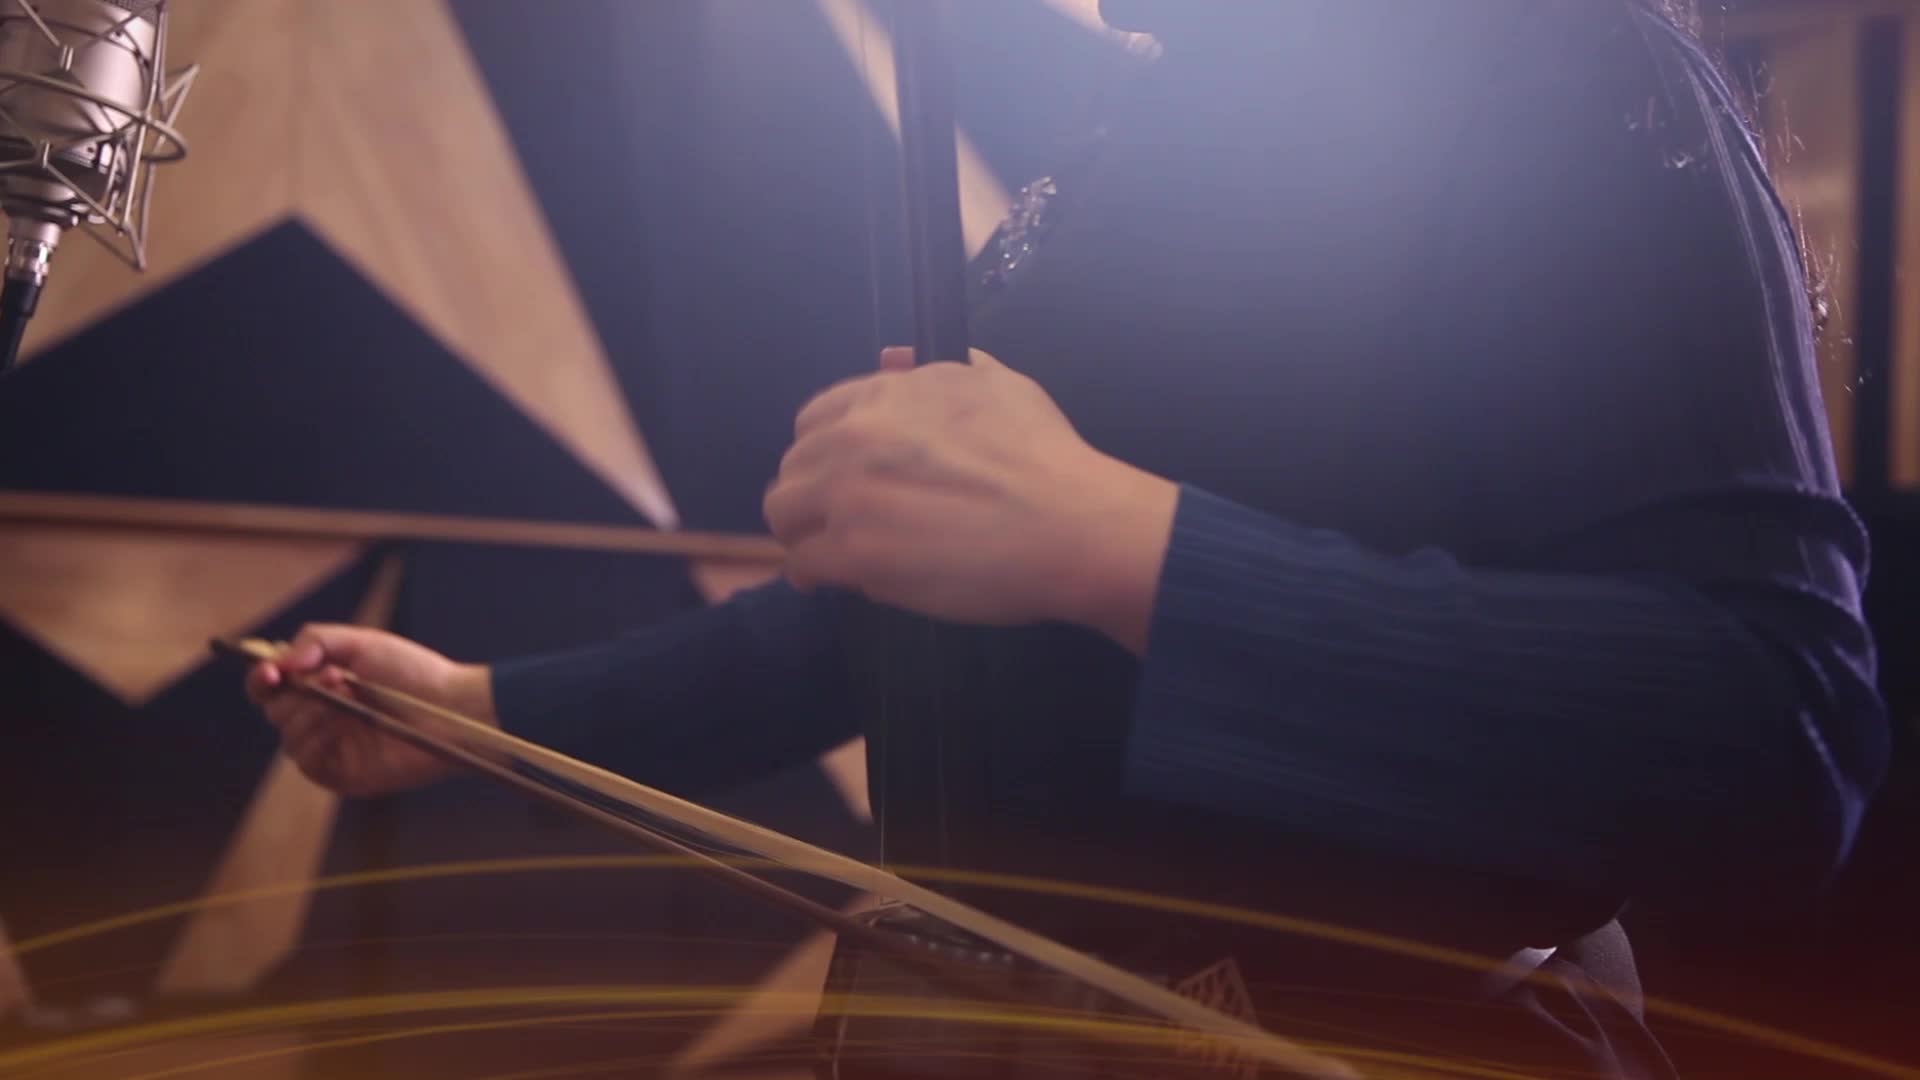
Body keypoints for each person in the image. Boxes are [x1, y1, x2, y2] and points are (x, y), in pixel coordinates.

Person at [247, 1, 1887, 1075]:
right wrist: (475, 711)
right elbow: (921, 624)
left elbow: (1774, 728)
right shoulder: (1155, 127)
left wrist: (1120, 544)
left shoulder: (1560, 63)